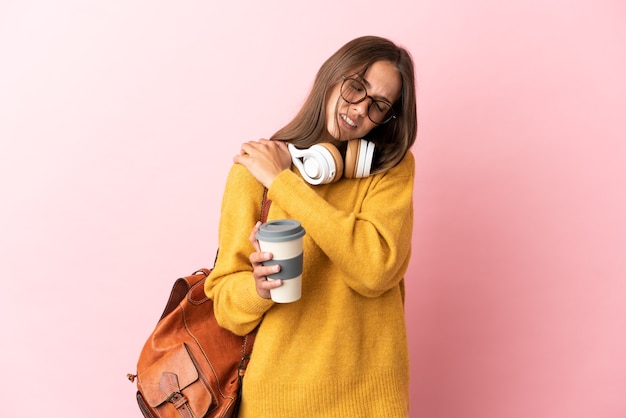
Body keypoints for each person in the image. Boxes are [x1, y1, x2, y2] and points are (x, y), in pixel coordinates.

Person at [205, 35, 417, 417]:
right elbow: (225, 306)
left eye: (379, 105)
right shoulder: (253, 170)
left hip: (370, 400)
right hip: (277, 400)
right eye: (356, 87)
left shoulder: (389, 168)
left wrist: (284, 183)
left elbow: (374, 270)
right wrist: (257, 289)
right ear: (331, 77)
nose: (359, 110)